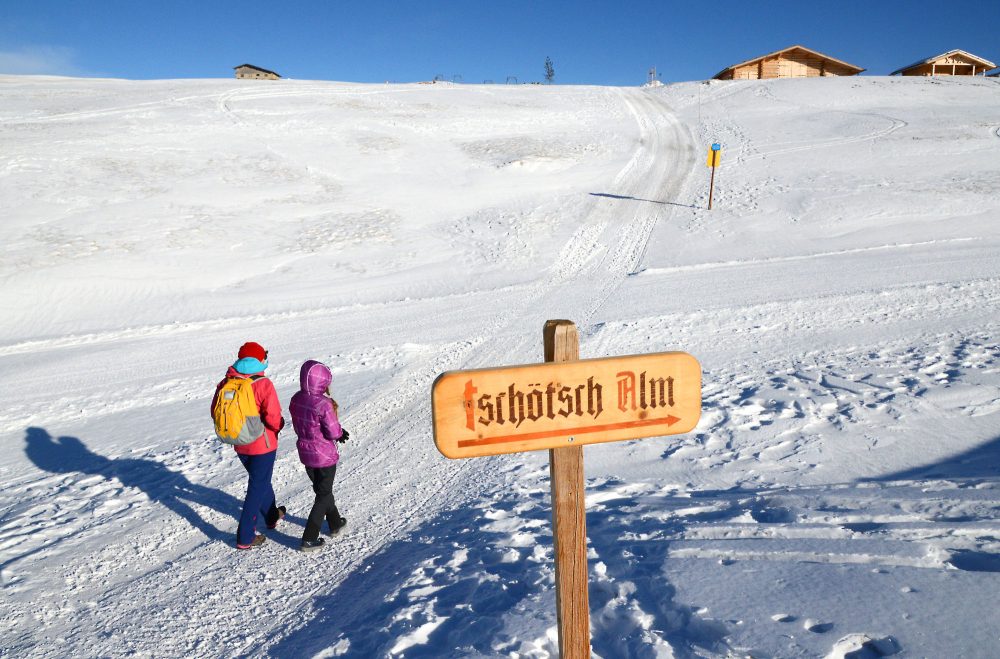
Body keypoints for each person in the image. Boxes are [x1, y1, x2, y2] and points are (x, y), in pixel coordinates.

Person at [212, 341, 286, 550]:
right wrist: (278, 425)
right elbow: (272, 416)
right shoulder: (263, 384)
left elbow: (215, 411)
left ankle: (271, 515)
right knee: (257, 486)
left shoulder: (227, 382)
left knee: (260, 480)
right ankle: (245, 536)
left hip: (239, 443)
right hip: (262, 444)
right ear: (260, 360)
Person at [290, 359, 349, 552]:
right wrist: (340, 433)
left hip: (305, 452)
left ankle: (335, 524)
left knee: (323, 491)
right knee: (323, 495)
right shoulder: (323, 404)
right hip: (323, 455)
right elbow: (332, 432)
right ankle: (309, 537)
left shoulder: (296, 398)